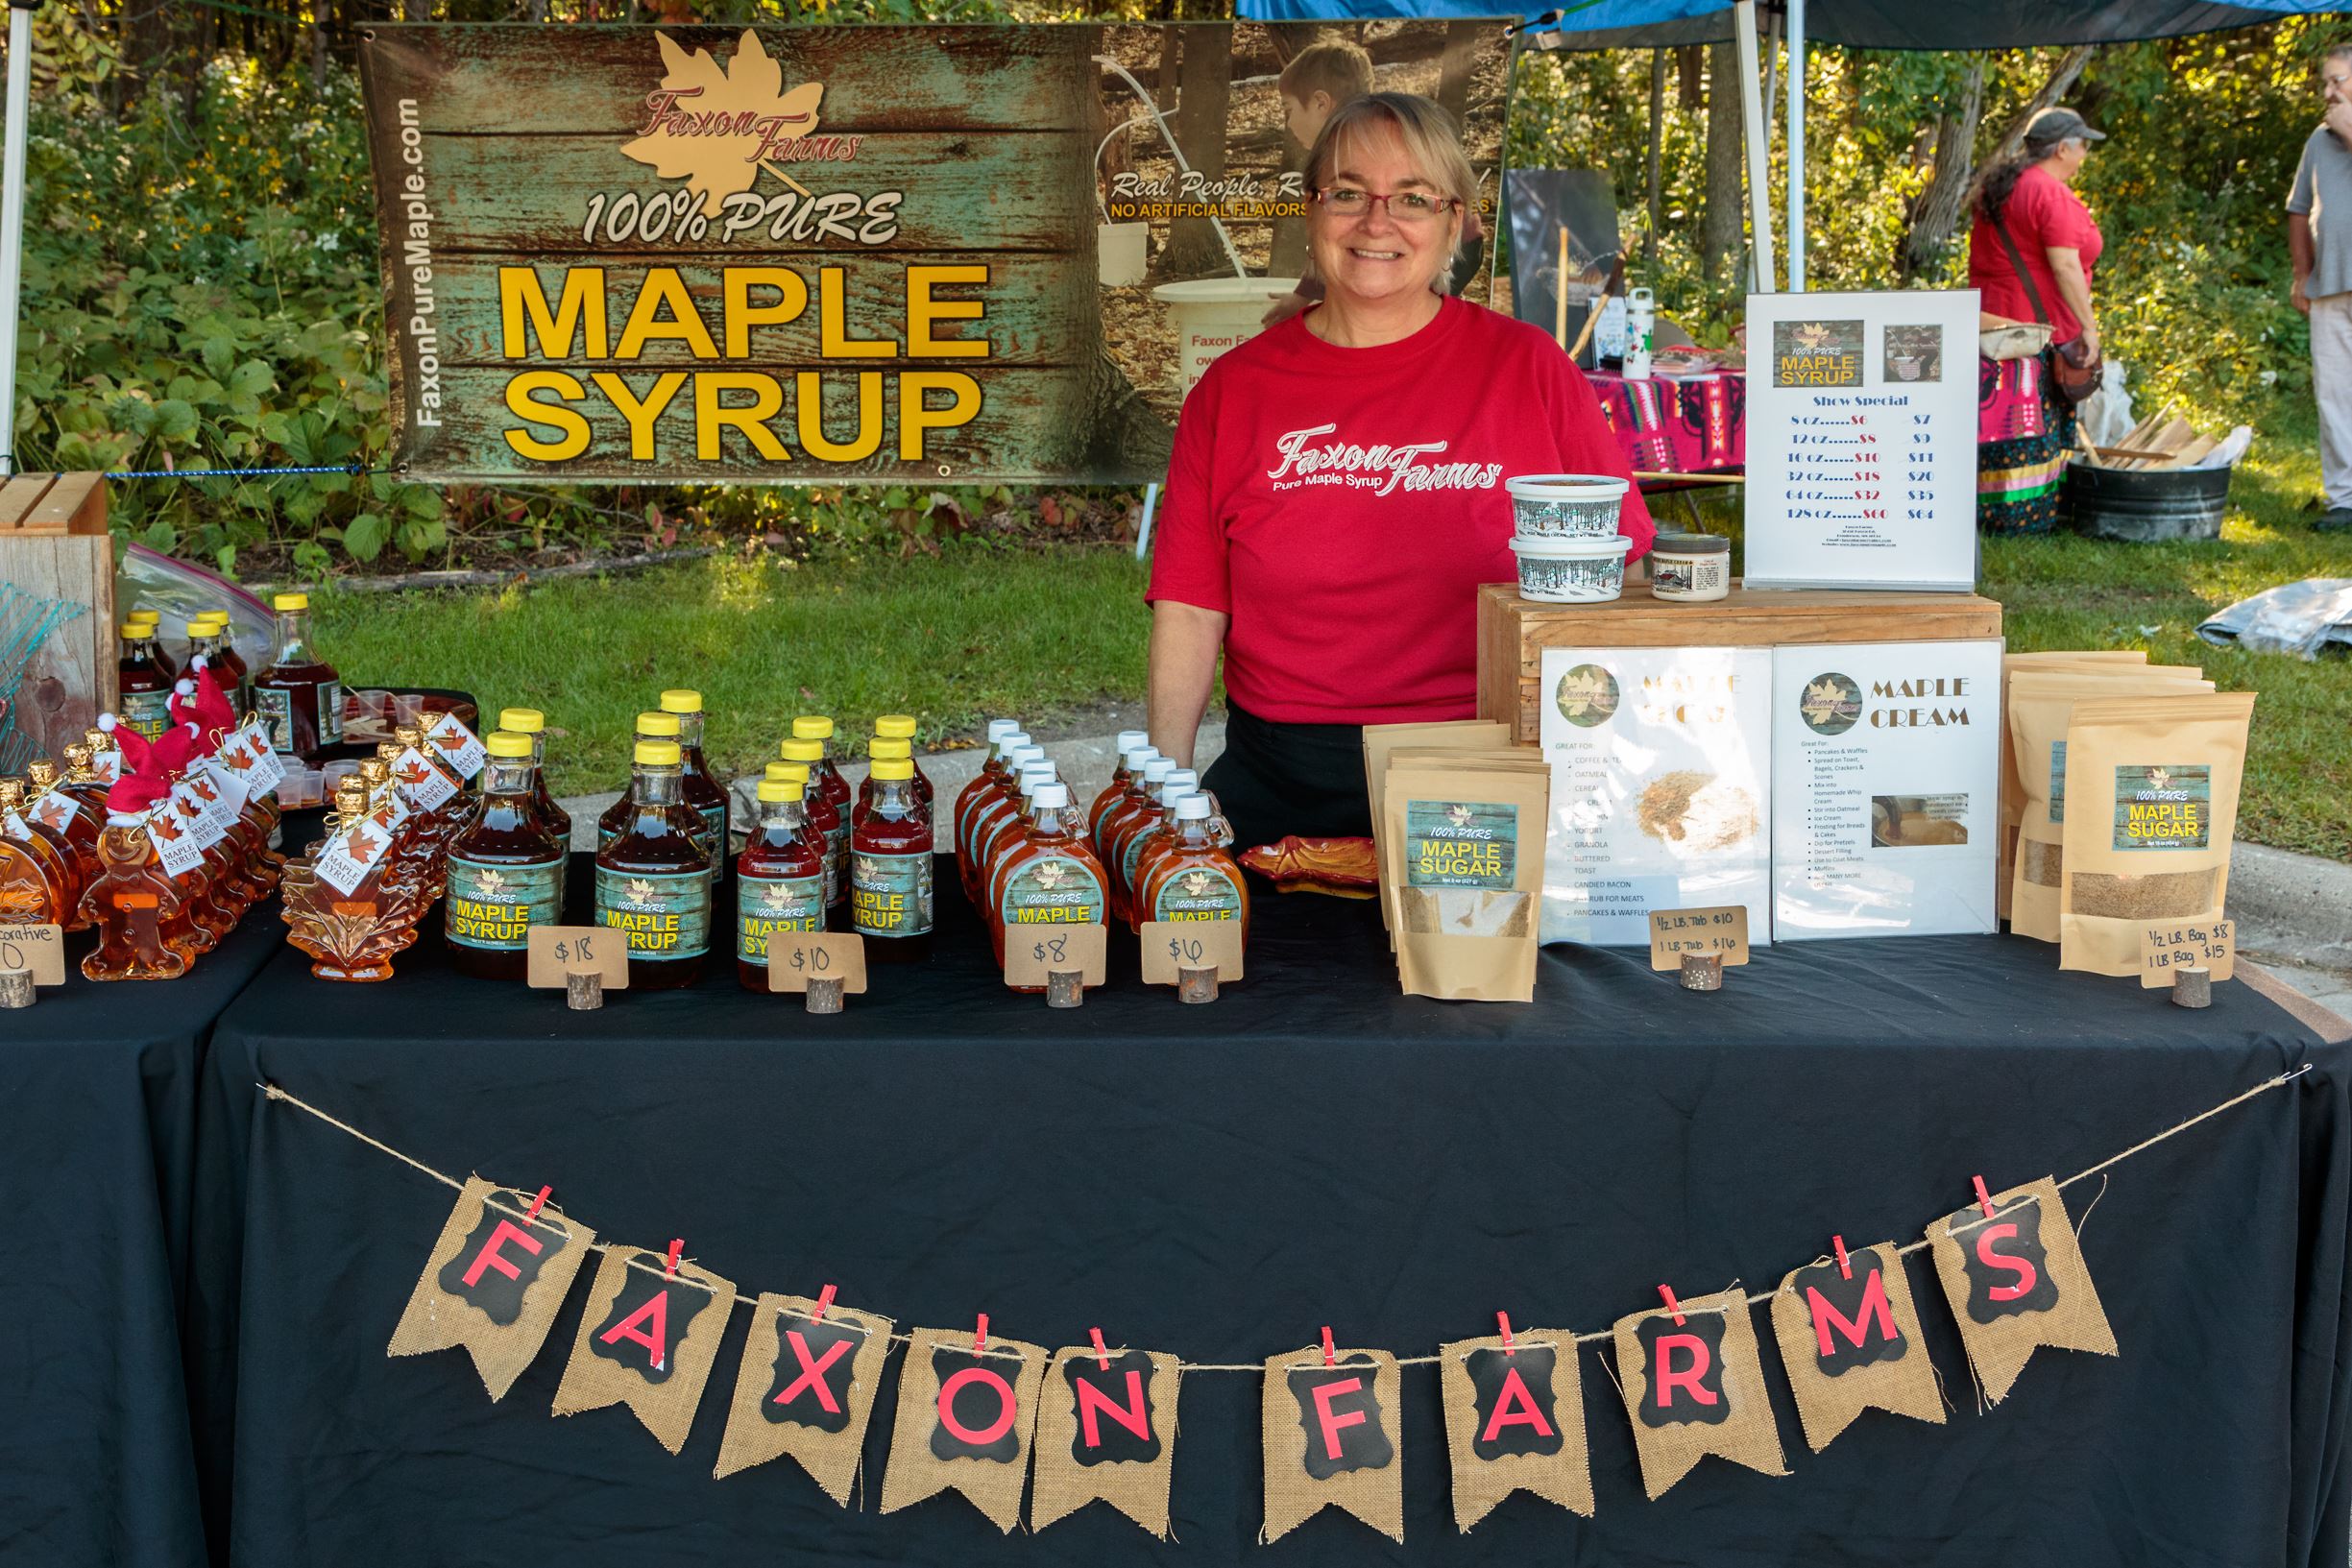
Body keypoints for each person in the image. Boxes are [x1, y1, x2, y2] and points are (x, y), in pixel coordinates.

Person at [1146, 92, 1654, 851]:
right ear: (1312, 211)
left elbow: (1626, 573)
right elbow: (1188, 609)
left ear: (1454, 222)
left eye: (1412, 198)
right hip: (1282, 782)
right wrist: (1164, 796)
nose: (1375, 222)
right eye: (1348, 192)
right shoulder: (1232, 391)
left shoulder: (1528, 369)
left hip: (1486, 772)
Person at [1968, 106, 2105, 535]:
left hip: (1992, 327)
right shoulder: (2049, 193)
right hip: (2034, 332)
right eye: (2082, 146)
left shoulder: (2001, 186)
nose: (2084, 156)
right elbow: (2064, 266)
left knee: (1995, 423)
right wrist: (2089, 327)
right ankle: (2024, 519)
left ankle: (1986, 514)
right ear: (2063, 148)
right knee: (2029, 426)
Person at [2289, 45, 2352, 533]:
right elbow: (2298, 209)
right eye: (2326, 84)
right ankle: (2344, 501)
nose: (2328, 94)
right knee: (2334, 395)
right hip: (2330, 286)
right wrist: (2300, 274)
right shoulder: (2318, 139)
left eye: (2338, 82)